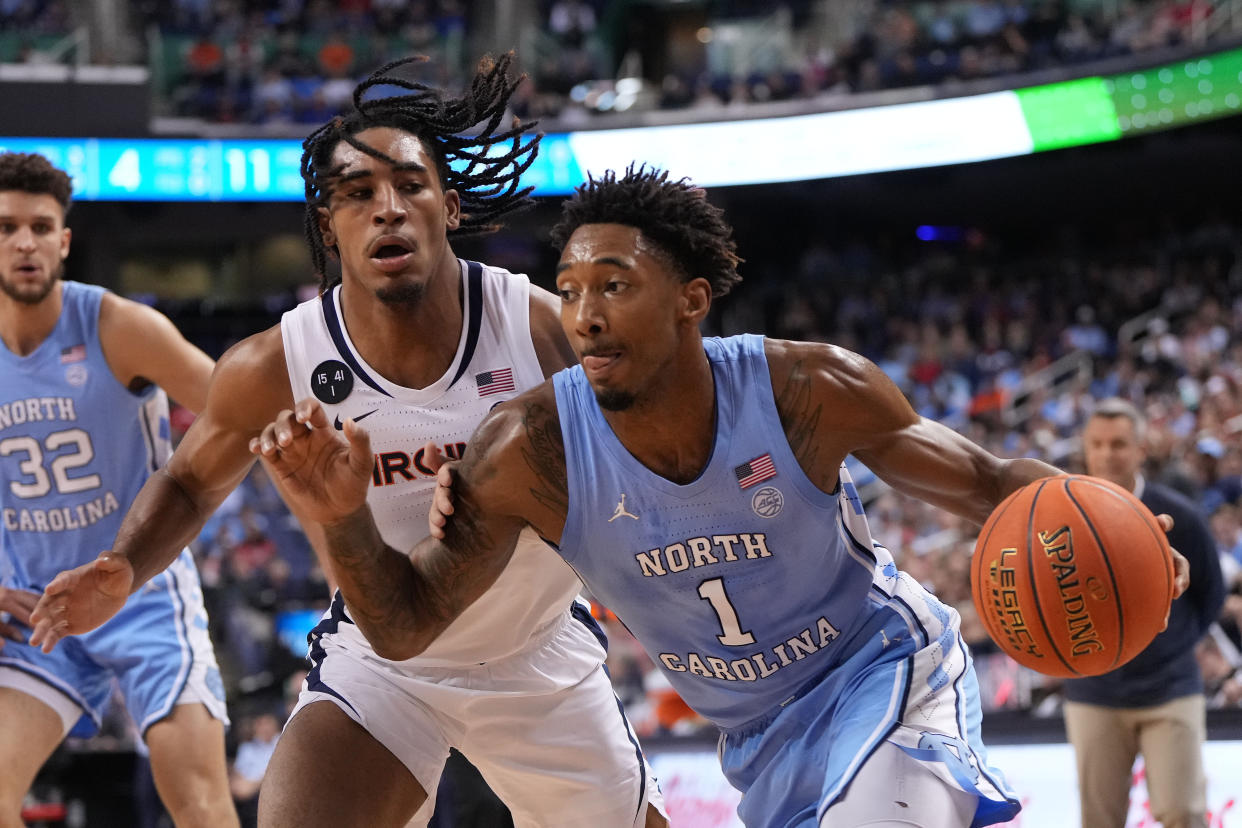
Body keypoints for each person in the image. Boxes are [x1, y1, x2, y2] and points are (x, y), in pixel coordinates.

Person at [241, 165, 1194, 827]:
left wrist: (1114, 523)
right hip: (759, 738)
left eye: (614, 285)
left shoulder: (806, 389)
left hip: (880, 674)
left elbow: (992, 483)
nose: (584, 314)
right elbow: (406, 629)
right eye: (569, 289)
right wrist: (341, 517)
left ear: (692, 299)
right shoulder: (532, 451)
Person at [29, 56, 666, 828]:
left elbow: (641, 469)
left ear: (450, 207)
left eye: (409, 186)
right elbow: (194, 483)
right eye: (357, 195)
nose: (387, 209)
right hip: (383, 664)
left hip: (537, 655)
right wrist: (125, 566)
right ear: (328, 225)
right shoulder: (277, 364)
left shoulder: (534, 328)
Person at [0, 151, 235, 828]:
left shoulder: (118, 327)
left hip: (140, 595)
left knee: (199, 807)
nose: (25, 242)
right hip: (39, 609)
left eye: (41, 227)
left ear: (63, 241)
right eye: (7, 226)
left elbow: (238, 410)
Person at [1064, 398, 1224, 828]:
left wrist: (1168, 646)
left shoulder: (1181, 517)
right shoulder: (1057, 515)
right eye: (1097, 443)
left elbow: (1211, 594)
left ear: (1140, 449)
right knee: (1099, 819)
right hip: (1093, 691)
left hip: (1170, 687)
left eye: (1118, 443)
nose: (1107, 453)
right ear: (1085, 447)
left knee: (1182, 812)